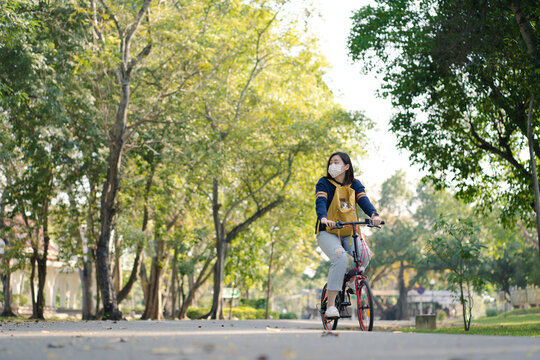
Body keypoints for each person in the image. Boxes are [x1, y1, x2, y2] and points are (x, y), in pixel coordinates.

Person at [315, 151, 382, 318]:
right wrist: (323, 218)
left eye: (336, 162)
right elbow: (321, 201)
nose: (332, 165)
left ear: (346, 166)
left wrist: (374, 215)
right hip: (328, 232)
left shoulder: (355, 184)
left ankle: (351, 281)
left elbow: (364, 201)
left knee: (365, 256)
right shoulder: (324, 183)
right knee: (340, 258)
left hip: (349, 231)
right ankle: (331, 306)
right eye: (331, 162)